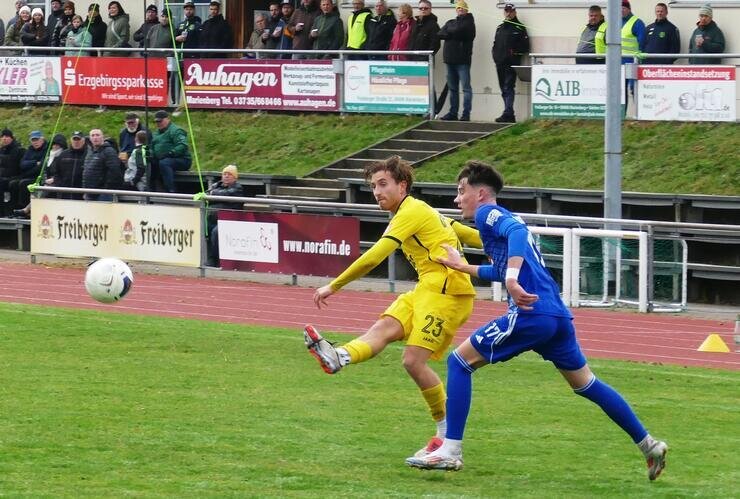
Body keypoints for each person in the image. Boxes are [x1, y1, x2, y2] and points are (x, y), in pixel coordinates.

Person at [404, 161, 669, 482]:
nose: (457, 199)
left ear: (481, 193)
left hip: (531, 314)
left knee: (459, 362)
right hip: (556, 317)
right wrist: (464, 267)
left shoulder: (489, 214)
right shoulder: (495, 223)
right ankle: (649, 445)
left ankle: (450, 448)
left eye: (461, 191)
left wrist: (513, 279)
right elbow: (503, 269)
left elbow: (516, 235)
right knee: (586, 384)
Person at [303, 155, 482, 458]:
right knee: (385, 327)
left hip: (448, 291)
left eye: (383, 184)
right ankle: (338, 356)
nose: (377, 191)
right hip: (427, 288)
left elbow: (375, 256)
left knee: (413, 361)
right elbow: (462, 231)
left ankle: (446, 440)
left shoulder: (410, 211)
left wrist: (334, 285)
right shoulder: (418, 210)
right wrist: (501, 240)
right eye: (373, 186)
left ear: (403, 185)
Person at [438, 0, 476, 122]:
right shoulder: (451, 22)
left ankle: (466, 114)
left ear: (466, 10)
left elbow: (460, 31)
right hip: (450, 60)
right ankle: (453, 112)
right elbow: (440, 33)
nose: (460, 10)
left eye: (462, 8)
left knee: (466, 88)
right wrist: (451, 32)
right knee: (453, 88)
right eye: (458, 8)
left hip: (462, 60)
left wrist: (450, 32)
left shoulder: (470, 23)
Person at [492, 3, 528, 123]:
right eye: (506, 11)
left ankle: (507, 113)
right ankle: (509, 114)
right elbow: (495, 44)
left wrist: (514, 53)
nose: (508, 13)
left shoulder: (520, 27)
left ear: (514, 12)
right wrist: (495, 56)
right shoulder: (500, 28)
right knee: (503, 88)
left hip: (511, 63)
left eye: (510, 11)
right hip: (500, 63)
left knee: (508, 87)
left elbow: (525, 46)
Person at [206, 164, 242, 266]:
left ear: (235, 177)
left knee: (215, 232)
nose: (226, 176)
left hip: (229, 220)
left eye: (229, 174)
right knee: (201, 228)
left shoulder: (238, 188)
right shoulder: (215, 186)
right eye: (224, 174)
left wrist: (213, 194)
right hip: (212, 219)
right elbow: (206, 195)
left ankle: (215, 260)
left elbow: (227, 194)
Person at [151, 110, 191, 193]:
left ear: (167, 119)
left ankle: (170, 190)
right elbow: (152, 147)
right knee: (151, 163)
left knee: (164, 163)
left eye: (160, 121)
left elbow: (183, 145)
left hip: (181, 159)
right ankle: (152, 188)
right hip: (161, 159)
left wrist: (170, 153)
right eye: (156, 122)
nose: (158, 123)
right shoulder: (155, 134)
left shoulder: (176, 131)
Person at [82, 128, 122, 201]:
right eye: (93, 135)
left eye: (97, 135)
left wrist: (106, 189)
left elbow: (115, 172)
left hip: (103, 193)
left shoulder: (109, 151)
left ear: (102, 137)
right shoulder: (90, 152)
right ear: (90, 138)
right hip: (89, 192)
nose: (95, 137)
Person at [47, 130, 86, 199]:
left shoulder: (88, 154)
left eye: (78, 139)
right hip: (63, 192)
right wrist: (59, 185)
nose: (76, 142)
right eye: (74, 139)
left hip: (81, 193)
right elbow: (57, 172)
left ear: (83, 140)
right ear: (71, 140)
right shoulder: (63, 154)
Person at [0, 129, 26, 216]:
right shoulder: (1, 150)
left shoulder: (19, 150)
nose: (4, 138)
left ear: (11, 138)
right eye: (2, 136)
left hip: (15, 177)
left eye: (7, 136)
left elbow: (19, 168)